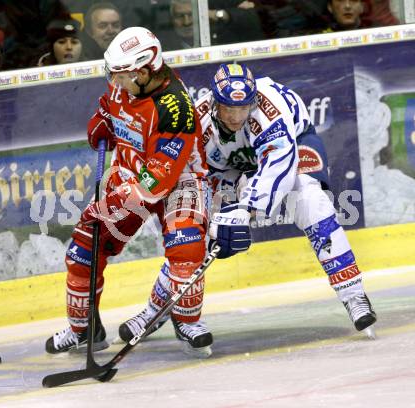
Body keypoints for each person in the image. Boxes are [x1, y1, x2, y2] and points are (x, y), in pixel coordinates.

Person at [45, 26, 218, 358]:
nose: (115, 81)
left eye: (121, 75)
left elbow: (156, 183)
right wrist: (102, 122)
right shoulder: (122, 83)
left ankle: (186, 322)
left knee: (187, 250)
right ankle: (84, 331)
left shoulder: (175, 109)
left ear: (142, 72)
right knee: (83, 252)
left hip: (177, 182)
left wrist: (108, 205)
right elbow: (109, 109)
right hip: (128, 170)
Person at [195, 62, 377, 335]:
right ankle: (174, 310)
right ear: (213, 103)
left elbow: (277, 165)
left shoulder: (270, 109)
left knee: (309, 200)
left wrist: (248, 209)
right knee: (194, 222)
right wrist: (210, 221)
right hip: (231, 164)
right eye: (228, 108)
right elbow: (195, 174)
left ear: (253, 101)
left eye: (243, 108)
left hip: (295, 142)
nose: (235, 117)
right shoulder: (199, 120)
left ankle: (354, 295)